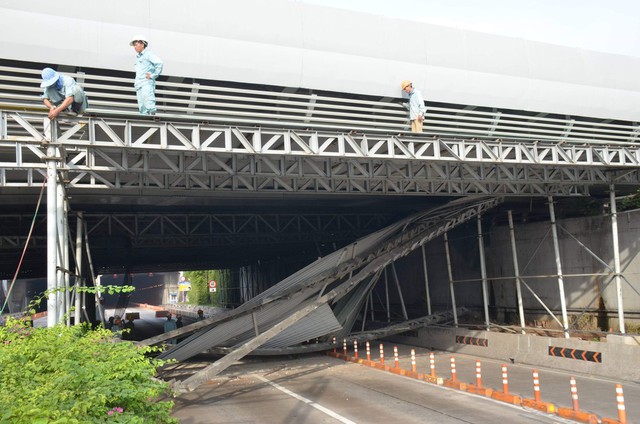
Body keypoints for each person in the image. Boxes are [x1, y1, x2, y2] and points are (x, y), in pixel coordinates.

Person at [130, 35, 163, 115]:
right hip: (139, 84)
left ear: (142, 44)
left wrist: (153, 75)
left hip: (146, 83)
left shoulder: (148, 54)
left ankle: (152, 120)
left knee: (149, 105)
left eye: (136, 44)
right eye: (134, 45)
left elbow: (159, 63)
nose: (135, 47)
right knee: (142, 108)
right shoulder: (138, 57)